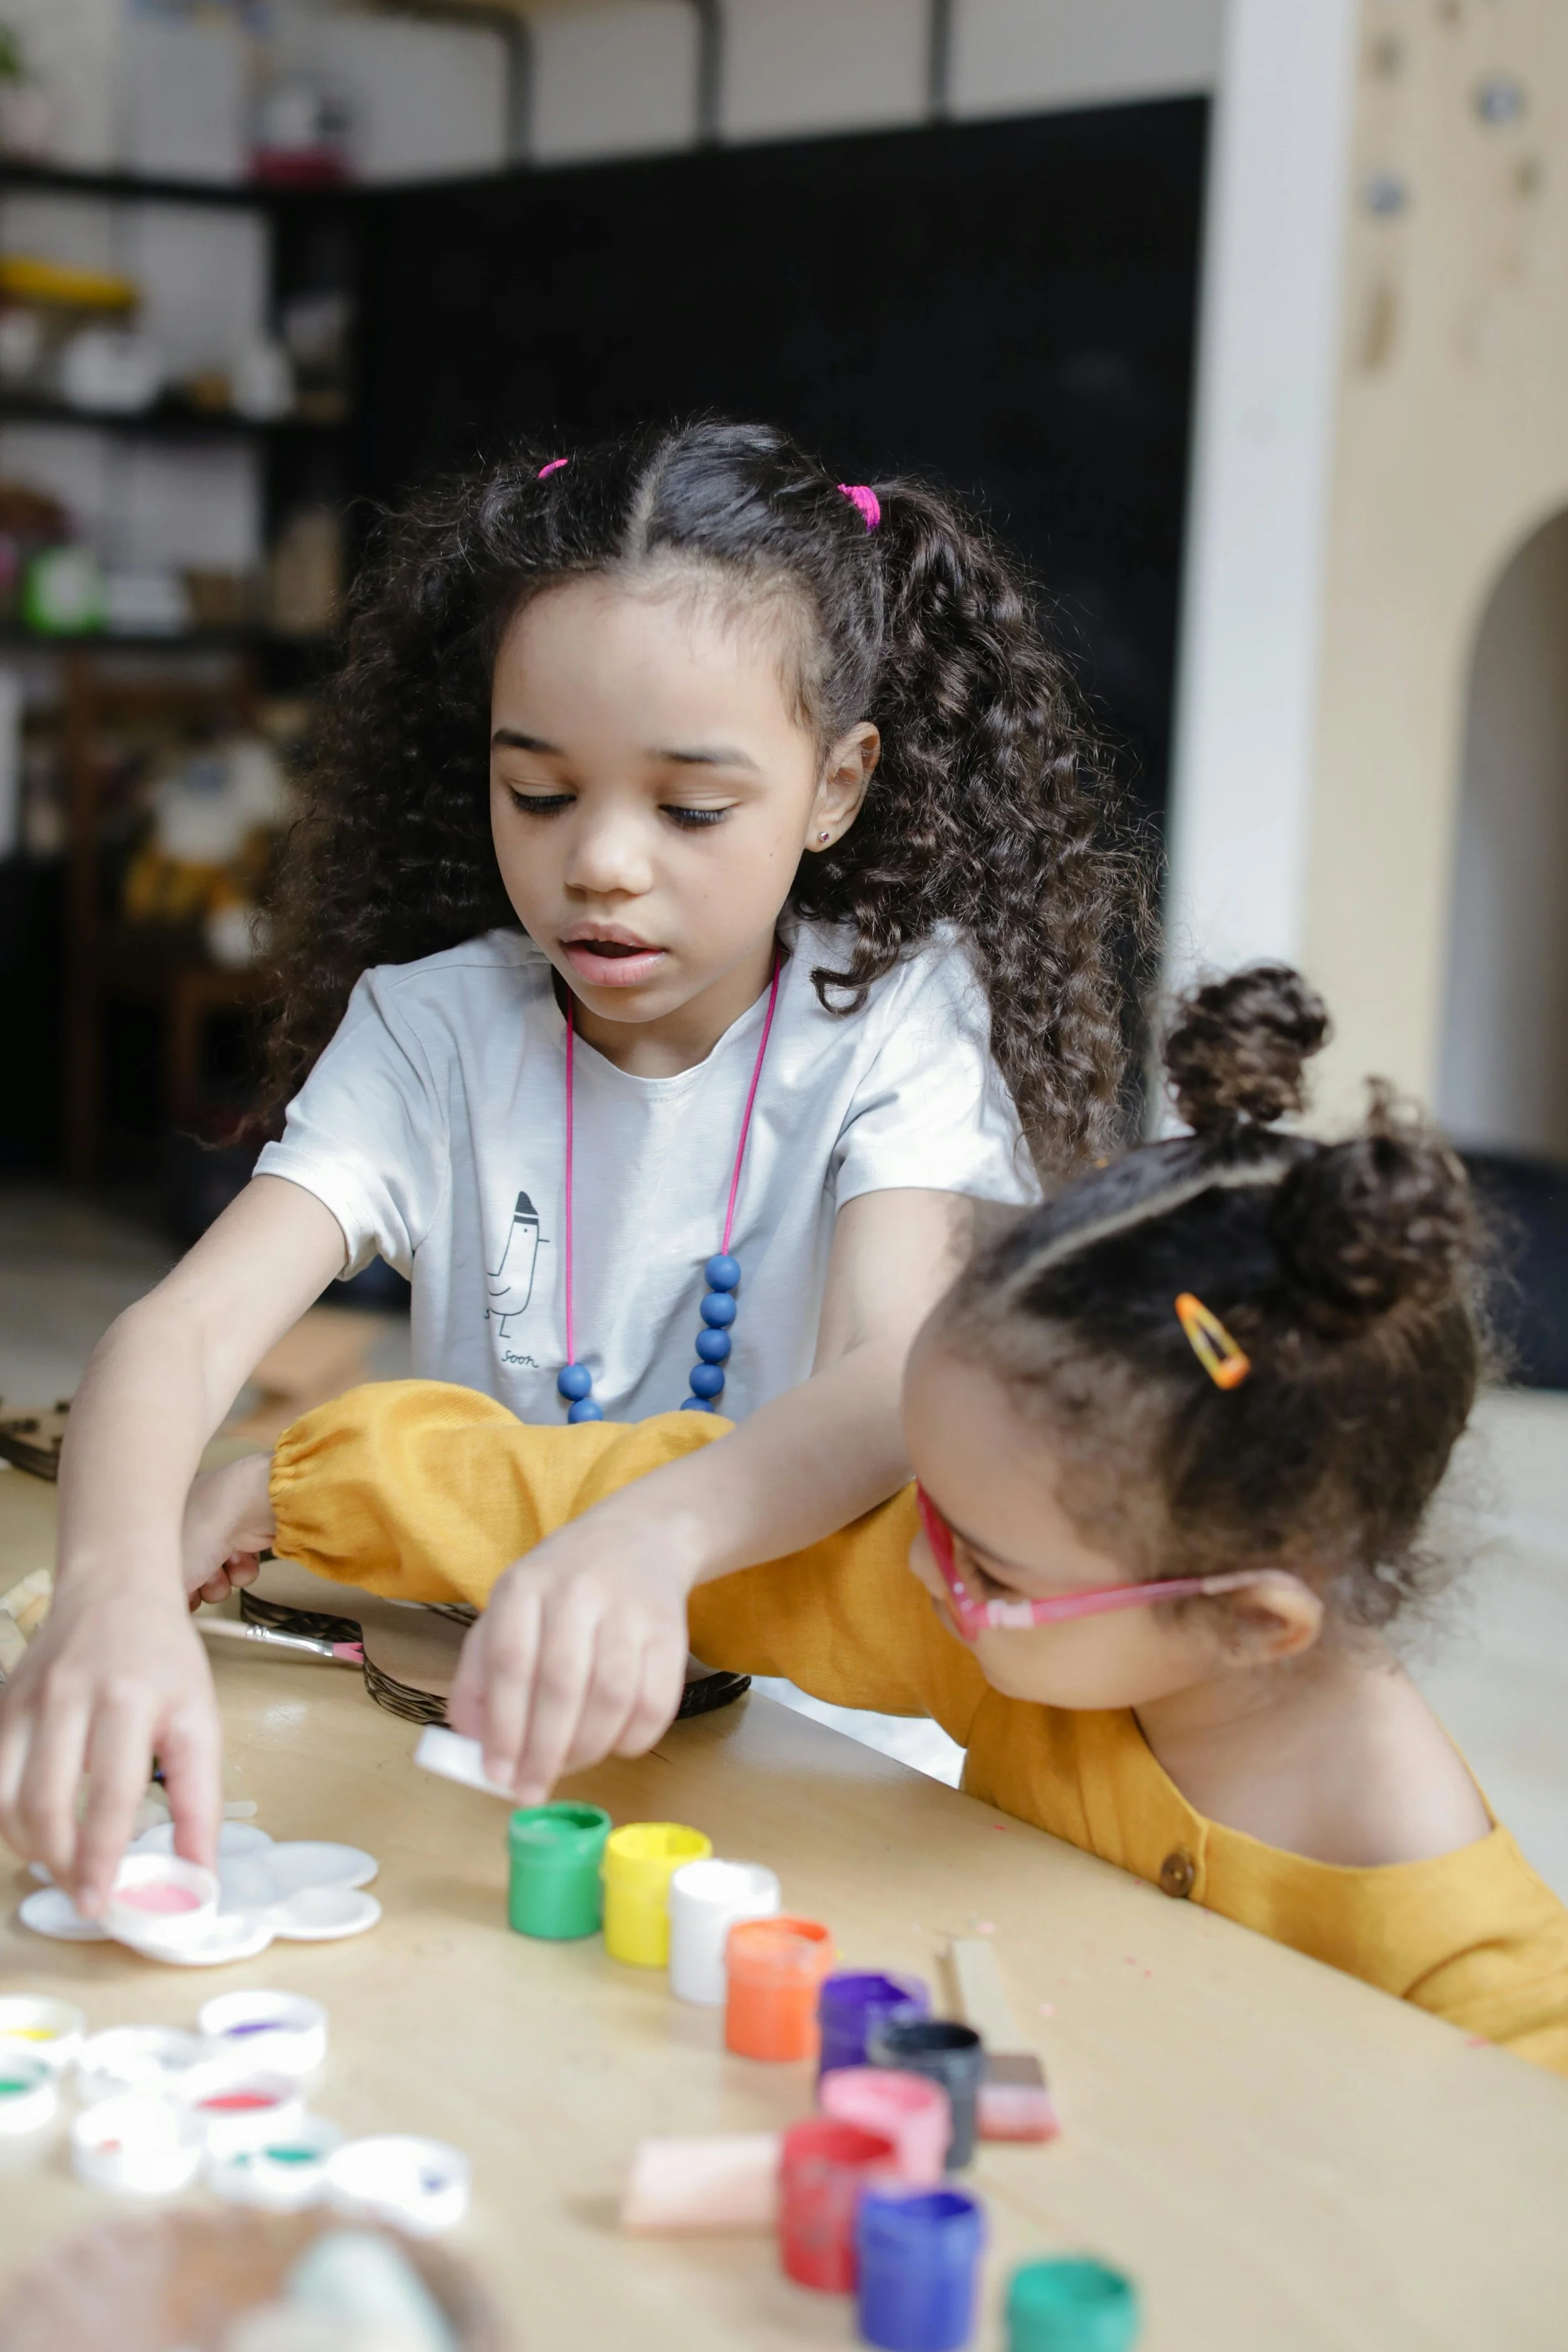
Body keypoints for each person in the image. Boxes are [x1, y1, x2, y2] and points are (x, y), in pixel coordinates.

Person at [0, 420, 1141, 1909]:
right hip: (496, 1721)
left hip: (807, 1757)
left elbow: (889, 1378)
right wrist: (110, 1590)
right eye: (538, 793)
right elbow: (181, 1333)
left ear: (837, 786)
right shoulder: (434, 1034)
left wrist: (647, 1539)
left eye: (688, 808)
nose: (599, 861)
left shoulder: (882, 1024)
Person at [233, 967, 1568, 2069]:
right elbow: (654, 1493)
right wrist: (298, 1487)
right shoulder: (1034, 1636)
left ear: (1248, 1618)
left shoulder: (1478, 1977)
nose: (922, 1570)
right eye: (927, 1507)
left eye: (981, 1560)